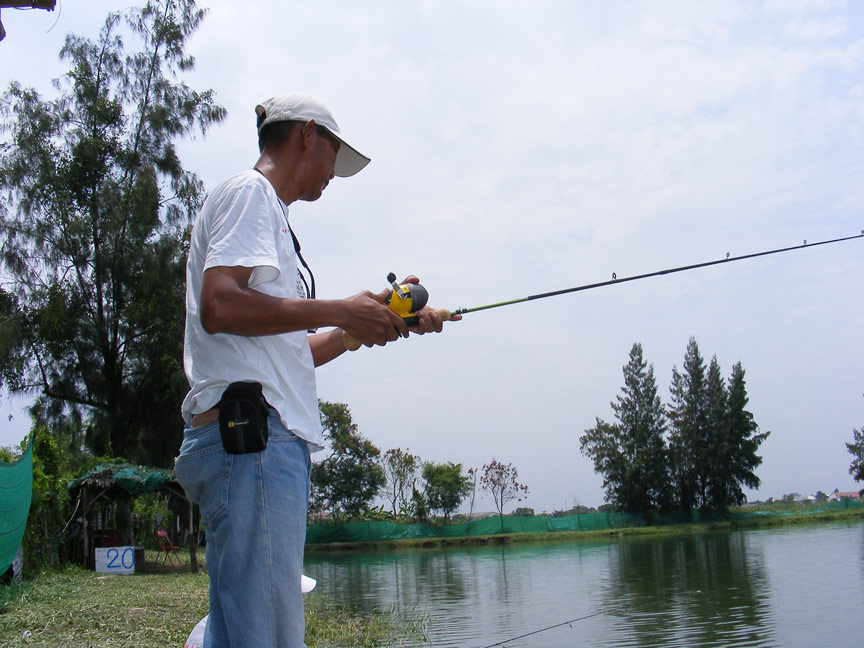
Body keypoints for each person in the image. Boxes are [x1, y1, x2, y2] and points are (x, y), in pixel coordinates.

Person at [173, 92, 457, 648]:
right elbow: (220, 306)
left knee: (240, 633)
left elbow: (286, 349)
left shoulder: (269, 217)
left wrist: (358, 328)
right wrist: (337, 307)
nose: (335, 175)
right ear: (307, 136)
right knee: (267, 637)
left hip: (256, 444)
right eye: (334, 157)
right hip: (251, 444)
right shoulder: (249, 192)